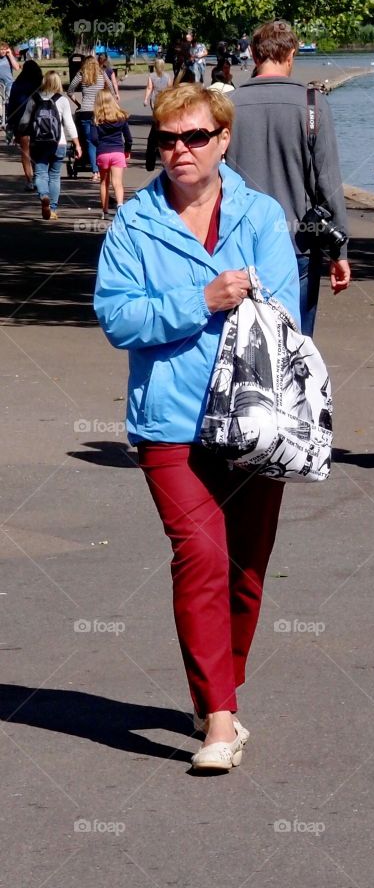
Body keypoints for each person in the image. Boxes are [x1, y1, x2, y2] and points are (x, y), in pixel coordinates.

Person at [93, 83, 300, 774]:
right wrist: (201, 299)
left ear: (223, 140)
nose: (179, 151)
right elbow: (118, 317)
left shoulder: (262, 216)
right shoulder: (132, 223)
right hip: (169, 422)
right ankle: (217, 720)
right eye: (168, 139)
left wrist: (244, 299)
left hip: (255, 420)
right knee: (201, 557)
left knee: (245, 570)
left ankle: (222, 691)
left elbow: (284, 314)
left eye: (195, 138)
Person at [226, 19, 350, 336]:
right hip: (298, 244)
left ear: (253, 55)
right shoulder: (312, 105)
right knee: (296, 344)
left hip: (240, 246)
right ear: (292, 54)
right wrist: (340, 253)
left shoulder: (229, 106)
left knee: (241, 345)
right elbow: (328, 184)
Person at [19, 71, 82, 220]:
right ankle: (53, 209)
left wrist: (22, 133)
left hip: (38, 143)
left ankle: (44, 196)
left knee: (40, 173)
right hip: (58, 143)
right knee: (55, 176)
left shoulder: (33, 99)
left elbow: (24, 122)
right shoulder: (62, 100)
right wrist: (77, 145)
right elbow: (70, 124)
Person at [90, 88, 133, 218]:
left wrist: (100, 146)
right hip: (118, 152)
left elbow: (93, 139)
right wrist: (127, 151)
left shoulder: (97, 119)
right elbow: (129, 138)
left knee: (104, 182)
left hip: (103, 152)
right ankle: (120, 205)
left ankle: (105, 211)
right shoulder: (121, 117)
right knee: (118, 183)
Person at [68, 55, 109, 182]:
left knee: (90, 142)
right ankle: (104, 169)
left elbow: (70, 91)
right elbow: (111, 89)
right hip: (99, 111)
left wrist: (79, 104)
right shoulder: (102, 73)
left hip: (85, 111)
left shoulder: (81, 74)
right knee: (101, 140)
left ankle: (95, 172)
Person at [6, 59, 43, 186]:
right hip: (39, 121)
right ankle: (39, 177)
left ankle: (29, 180)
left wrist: (10, 123)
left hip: (21, 121)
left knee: (25, 151)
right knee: (37, 150)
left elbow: (11, 105)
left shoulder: (17, 84)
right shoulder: (39, 84)